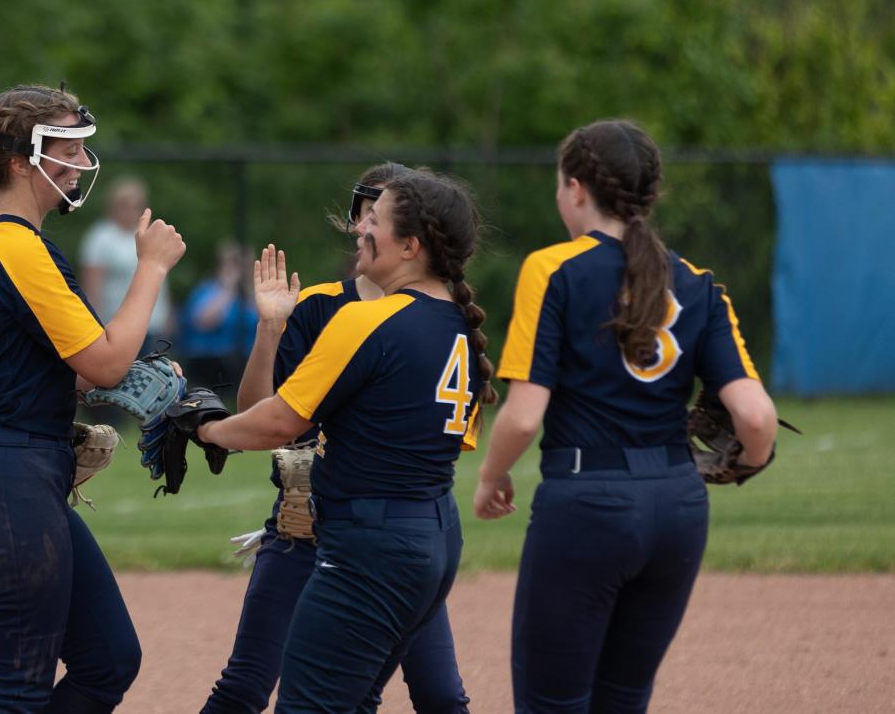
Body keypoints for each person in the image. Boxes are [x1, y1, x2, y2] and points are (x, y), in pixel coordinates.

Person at [472, 119, 779, 713]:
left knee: (552, 703)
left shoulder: (553, 267)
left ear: (578, 188)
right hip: (678, 506)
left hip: (588, 502)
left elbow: (524, 416)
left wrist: (491, 476)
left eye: (561, 185)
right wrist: (743, 466)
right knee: (623, 701)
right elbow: (756, 419)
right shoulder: (697, 282)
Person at [195, 169, 499, 713]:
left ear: (411, 245)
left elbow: (279, 422)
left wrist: (204, 428)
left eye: (374, 222)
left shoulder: (368, 320)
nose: (360, 230)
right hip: (430, 532)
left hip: (369, 538)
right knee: (355, 701)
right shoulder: (460, 324)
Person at [0, 84, 185, 714]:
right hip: (1, 473)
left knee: (107, 659)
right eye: (65, 145)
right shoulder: (12, 240)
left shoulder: (16, 242)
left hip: (17, 468)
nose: (78, 159)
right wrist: (150, 268)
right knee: (14, 689)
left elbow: (68, 368)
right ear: (20, 161)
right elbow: (102, 361)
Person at [80, 176, 173, 344]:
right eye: (124, 205)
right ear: (113, 206)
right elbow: (92, 287)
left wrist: (167, 315)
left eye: (135, 206)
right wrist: (95, 327)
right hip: (118, 326)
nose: (130, 211)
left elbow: (161, 276)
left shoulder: (148, 233)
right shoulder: (100, 237)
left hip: (153, 324)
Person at [179, 239, 259, 388]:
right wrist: (228, 287)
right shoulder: (207, 290)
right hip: (210, 361)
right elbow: (203, 321)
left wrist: (248, 289)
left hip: (247, 360)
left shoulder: (252, 294)